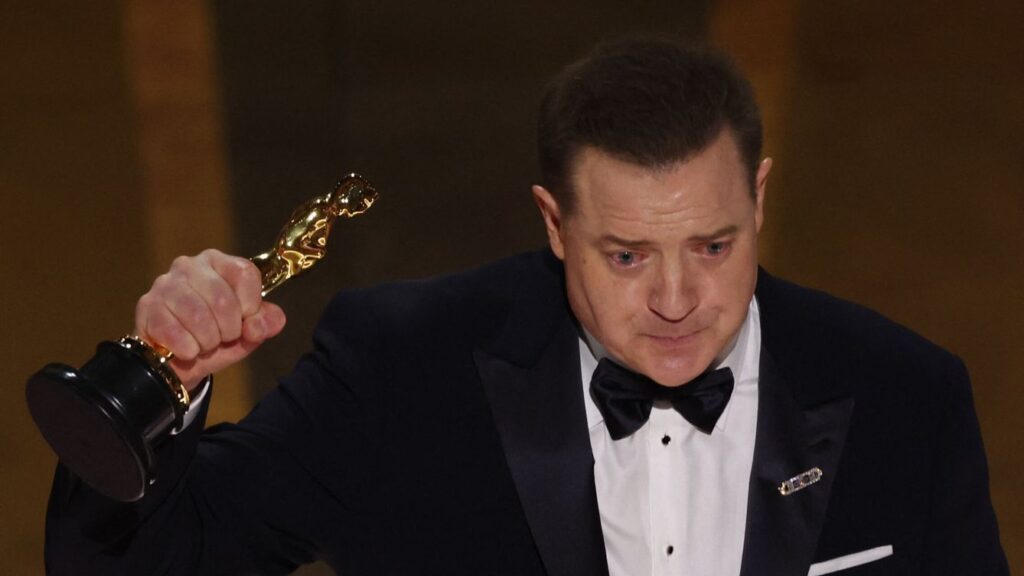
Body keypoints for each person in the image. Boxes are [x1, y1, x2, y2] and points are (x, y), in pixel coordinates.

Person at [44, 38, 1008, 576]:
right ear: (554, 223)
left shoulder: (907, 398)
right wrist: (153, 383)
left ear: (758, 198)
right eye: (626, 255)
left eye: (713, 246)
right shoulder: (402, 374)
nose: (677, 300)